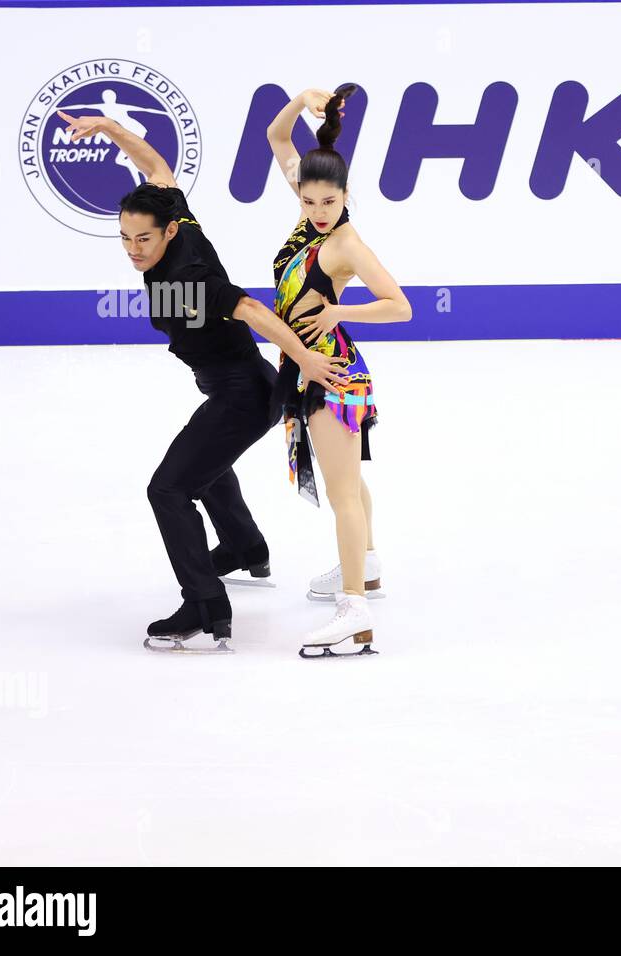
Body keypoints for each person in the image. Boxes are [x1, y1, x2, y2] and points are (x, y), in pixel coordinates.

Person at [56, 108, 351, 652]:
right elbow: (157, 166)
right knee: (207, 469)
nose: (133, 250)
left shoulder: (189, 277)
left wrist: (307, 363)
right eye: (124, 239)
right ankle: (244, 547)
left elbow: (256, 312)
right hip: (235, 387)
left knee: (168, 489)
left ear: (168, 232)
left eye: (142, 239)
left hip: (245, 392)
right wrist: (110, 129)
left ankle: (205, 604)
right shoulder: (175, 216)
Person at [265, 85, 413, 658]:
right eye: (309, 203)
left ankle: (354, 609)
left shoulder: (346, 242)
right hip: (305, 365)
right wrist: (301, 101)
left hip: (330, 372)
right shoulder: (309, 219)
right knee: (348, 480)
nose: (318, 211)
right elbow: (277, 137)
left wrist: (339, 310)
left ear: (345, 196)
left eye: (329, 202)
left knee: (342, 492)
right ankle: (366, 565)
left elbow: (400, 305)